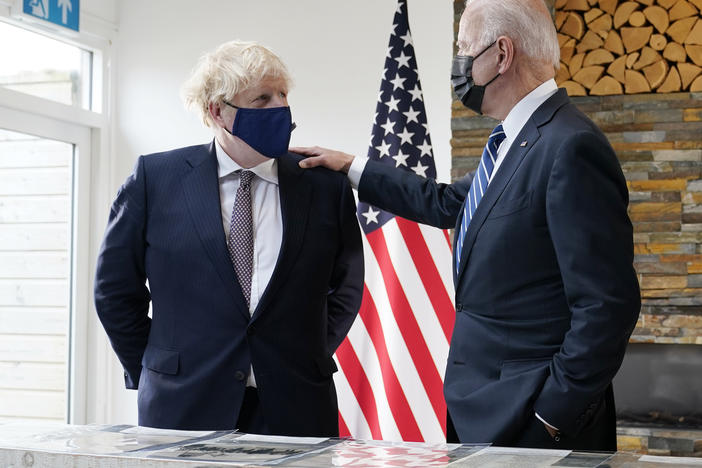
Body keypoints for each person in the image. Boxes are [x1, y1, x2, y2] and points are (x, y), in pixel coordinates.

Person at [294, 0, 640, 451]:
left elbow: (607, 306)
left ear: (501, 53)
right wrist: (354, 168)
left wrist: (552, 414)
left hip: (533, 418)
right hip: (485, 408)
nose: (458, 65)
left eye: (463, 49)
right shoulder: (515, 139)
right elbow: (447, 202)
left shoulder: (570, 147)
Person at [94, 40, 364, 436]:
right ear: (217, 111)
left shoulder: (324, 185)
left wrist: (307, 353)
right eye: (261, 98)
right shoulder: (155, 179)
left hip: (296, 404)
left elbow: (346, 286)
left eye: (283, 94)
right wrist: (156, 365)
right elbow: (115, 291)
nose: (279, 107)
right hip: (182, 405)